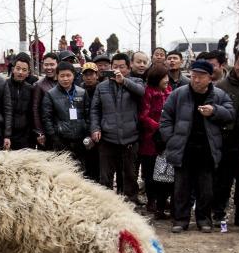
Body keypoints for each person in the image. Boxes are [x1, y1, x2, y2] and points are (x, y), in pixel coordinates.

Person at [159, 60, 234, 233]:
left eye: (201, 77)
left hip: (207, 148)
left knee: (206, 189)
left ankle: (203, 219)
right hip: (184, 147)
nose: (196, 80)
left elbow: (231, 114)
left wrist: (214, 111)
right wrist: (171, 139)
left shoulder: (219, 95)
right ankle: (180, 219)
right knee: (181, 188)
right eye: (193, 76)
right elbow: (165, 119)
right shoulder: (178, 94)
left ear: (210, 78)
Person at [90, 53, 145, 203]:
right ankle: (106, 203)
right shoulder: (102, 86)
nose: (117, 70)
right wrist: (95, 128)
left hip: (130, 136)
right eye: (115, 67)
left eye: (122, 67)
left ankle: (131, 201)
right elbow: (95, 110)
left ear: (128, 68)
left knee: (130, 174)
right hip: (107, 137)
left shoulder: (135, 82)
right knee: (106, 176)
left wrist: (124, 81)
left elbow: (142, 92)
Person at [212, 47, 239, 226]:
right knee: (223, 180)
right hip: (226, 140)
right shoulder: (222, 86)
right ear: (234, 63)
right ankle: (219, 214)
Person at [42, 62, 90, 171]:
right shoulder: (50, 94)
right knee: (63, 171)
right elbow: (47, 118)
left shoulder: (82, 93)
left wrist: (87, 133)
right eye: (62, 76)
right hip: (61, 139)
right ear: (57, 76)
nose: (65, 79)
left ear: (73, 75)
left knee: (80, 170)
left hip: (80, 139)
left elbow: (88, 115)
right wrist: (54, 137)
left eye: (68, 75)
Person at [138, 64, 172, 217]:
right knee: (150, 172)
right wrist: (159, 127)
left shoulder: (169, 92)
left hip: (167, 138)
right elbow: (143, 116)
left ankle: (162, 200)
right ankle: (151, 200)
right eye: (164, 77)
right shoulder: (148, 93)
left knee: (164, 171)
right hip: (151, 139)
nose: (167, 80)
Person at [3, 53, 34, 150]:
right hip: (6, 134)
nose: (20, 72)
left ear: (28, 73)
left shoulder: (30, 89)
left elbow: (31, 113)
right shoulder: (4, 85)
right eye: (18, 68)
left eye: (24, 70)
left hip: (24, 136)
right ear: (13, 70)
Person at [32, 52, 59, 148]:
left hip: (62, 130)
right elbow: (35, 110)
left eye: (52, 64)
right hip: (46, 132)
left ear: (58, 65)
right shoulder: (39, 85)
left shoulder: (63, 82)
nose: (49, 68)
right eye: (46, 65)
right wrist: (39, 132)